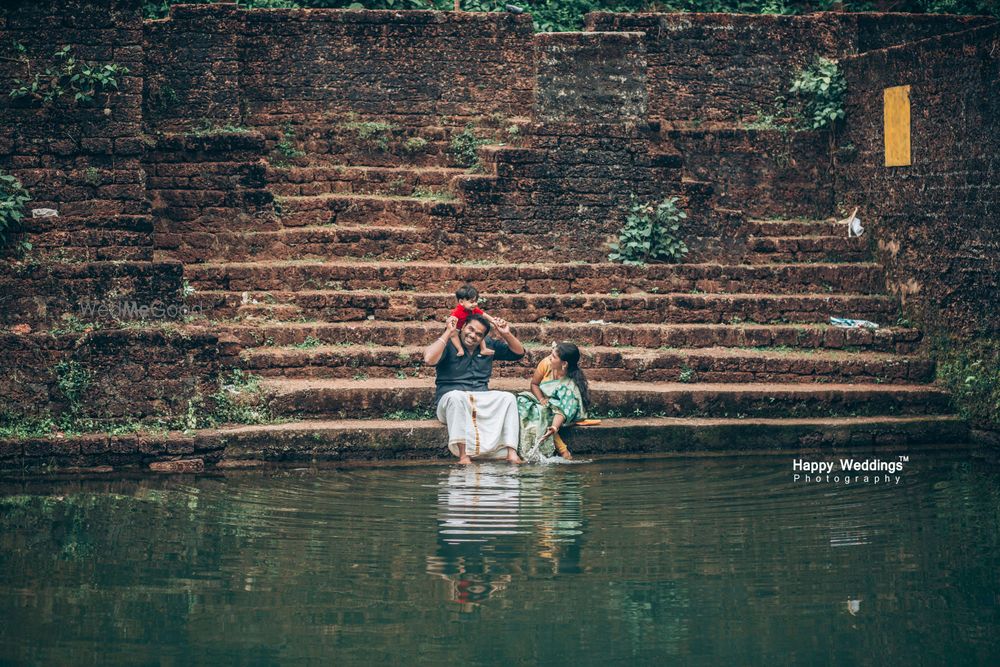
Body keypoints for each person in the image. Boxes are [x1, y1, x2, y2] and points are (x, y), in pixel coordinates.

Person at [423, 312, 526, 465]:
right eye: (470, 329)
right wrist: (448, 332)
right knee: (456, 397)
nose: (473, 336)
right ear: (463, 326)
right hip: (450, 402)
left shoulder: (488, 346)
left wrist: (506, 334)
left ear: (483, 338)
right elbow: (429, 358)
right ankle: (464, 457)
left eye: (479, 334)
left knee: (508, 398)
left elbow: (519, 353)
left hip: (479, 400)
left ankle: (511, 453)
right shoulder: (450, 343)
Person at [516, 342, 591, 461]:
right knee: (522, 402)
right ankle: (561, 451)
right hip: (544, 403)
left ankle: (562, 450)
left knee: (542, 413)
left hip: (566, 411)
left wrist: (554, 428)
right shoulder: (546, 363)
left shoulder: (569, 387)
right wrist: (541, 399)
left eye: (554, 357)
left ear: (564, 364)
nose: (550, 358)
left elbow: (562, 409)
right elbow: (534, 384)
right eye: (551, 354)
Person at [448, 284, 494, 358]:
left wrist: (493, 320)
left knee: (479, 332)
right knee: (453, 334)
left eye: (476, 301)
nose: (475, 304)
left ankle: (483, 349)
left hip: (468, 328)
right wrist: (451, 326)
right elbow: (451, 320)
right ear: (461, 302)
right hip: (457, 328)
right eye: (472, 302)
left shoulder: (473, 309)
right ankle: (460, 349)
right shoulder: (457, 312)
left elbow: (483, 314)